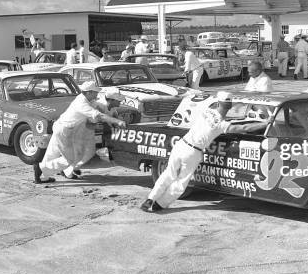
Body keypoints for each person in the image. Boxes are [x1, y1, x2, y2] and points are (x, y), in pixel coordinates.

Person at [140, 91, 268, 212]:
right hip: (193, 152)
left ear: (218, 103)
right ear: (230, 107)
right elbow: (244, 127)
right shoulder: (222, 125)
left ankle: (150, 199)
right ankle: (159, 205)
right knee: (181, 182)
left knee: (169, 173)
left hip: (181, 144)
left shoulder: (206, 111)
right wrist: (265, 123)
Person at [36, 81, 126, 183]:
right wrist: (116, 121)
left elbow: (99, 110)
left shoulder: (88, 100)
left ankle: (44, 177)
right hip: (65, 130)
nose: (97, 94)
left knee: (52, 154)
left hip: (62, 127)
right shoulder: (82, 103)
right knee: (69, 159)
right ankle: (41, 168)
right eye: (95, 92)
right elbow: (97, 116)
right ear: (88, 92)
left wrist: (110, 118)